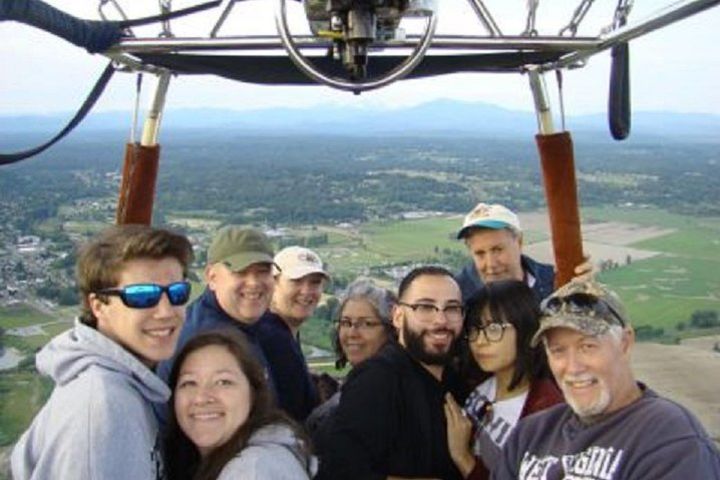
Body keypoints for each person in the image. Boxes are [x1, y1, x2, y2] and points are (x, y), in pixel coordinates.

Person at [11, 225, 193, 480]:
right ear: (98, 306)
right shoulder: (101, 410)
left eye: (177, 293)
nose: (166, 311)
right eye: (142, 296)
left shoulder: (127, 384)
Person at [493, 279, 720, 480]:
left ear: (625, 343)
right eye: (558, 350)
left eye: (587, 346)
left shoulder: (668, 438)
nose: (573, 367)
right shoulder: (529, 435)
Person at [316, 266, 466, 480]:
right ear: (397, 316)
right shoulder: (378, 380)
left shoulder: (454, 378)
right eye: (425, 307)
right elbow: (341, 471)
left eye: (451, 308)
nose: (440, 320)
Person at [444, 280, 563, 480]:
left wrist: (463, 458)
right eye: (474, 330)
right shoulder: (478, 381)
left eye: (493, 329)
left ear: (525, 328)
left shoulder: (546, 411)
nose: (480, 341)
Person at [165, 330, 316, 480]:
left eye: (223, 382)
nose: (201, 397)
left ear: (253, 393)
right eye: (189, 383)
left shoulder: (252, 470)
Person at [157, 226, 277, 398]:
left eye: (263, 271)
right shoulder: (208, 344)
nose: (254, 282)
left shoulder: (243, 325)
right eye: (240, 272)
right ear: (211, 277)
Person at [305, 278, 397, 440]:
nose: (352, 333)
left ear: (390, 331)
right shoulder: (359, 384)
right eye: (346, 323)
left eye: (366, 324)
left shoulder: (385, 393)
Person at [256, 246, 328, 421]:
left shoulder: (279, 331)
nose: (306, 291)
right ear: (273, 284)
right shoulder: (273, 339)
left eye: (315, 282)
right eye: (296, 281)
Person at [455, 203, 555, 302]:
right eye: (480, 253)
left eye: (497, 250)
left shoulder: (554, 283)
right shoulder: (457, 294)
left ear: (519, 242)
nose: (491, 264)